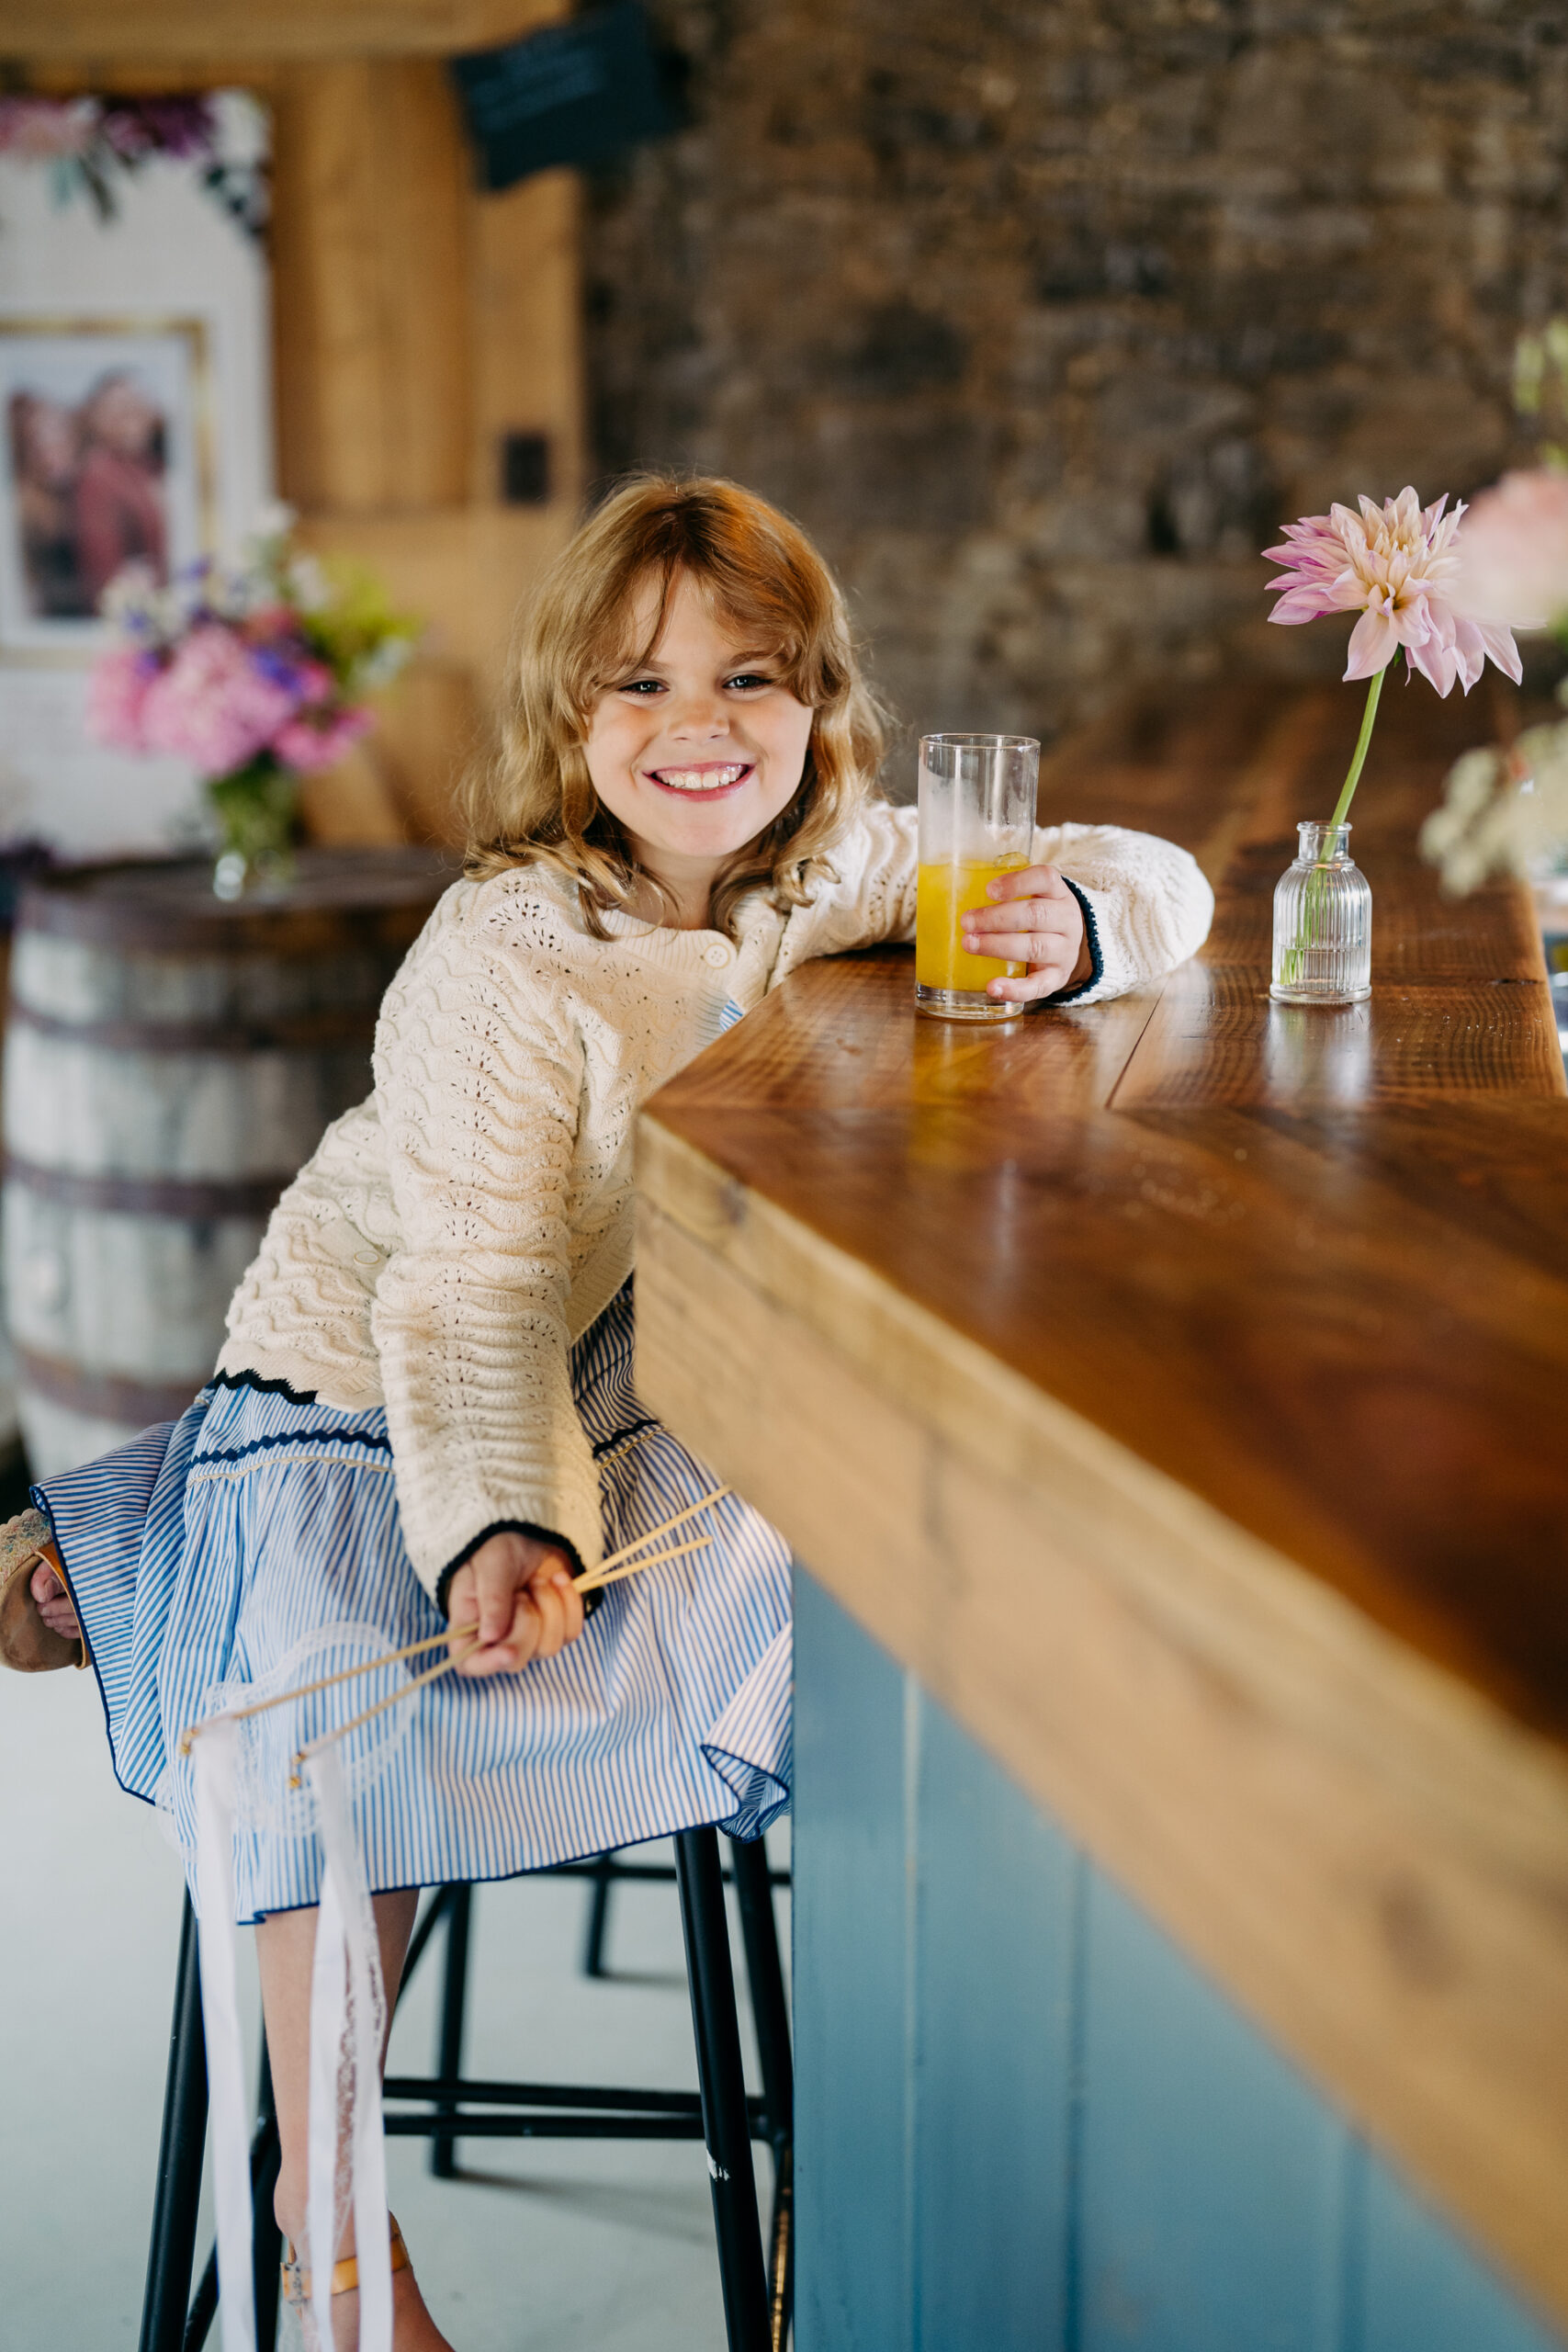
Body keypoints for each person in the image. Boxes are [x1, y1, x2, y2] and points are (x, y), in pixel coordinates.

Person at [0, 475, 1213, 2348]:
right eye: (638, 685)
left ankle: (132, 1541)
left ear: (815, 704)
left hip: (581, 1362)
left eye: (749, 675)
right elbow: (463, 1291)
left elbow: (1152, 866)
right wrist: (503, 1519)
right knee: (320, 1692)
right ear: (573, 720)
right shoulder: (505, 957)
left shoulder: (832, 871)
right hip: (359, 1357)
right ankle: (327, 2223)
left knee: (811, 1497)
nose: (699, 726)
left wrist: (1081, 922)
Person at [73, 369, 168, 609]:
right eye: (118, 410)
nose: (130, 417)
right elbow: (105, 573)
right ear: (96, 419)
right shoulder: (98, 476)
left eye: (136, 405)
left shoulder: (149, 466)